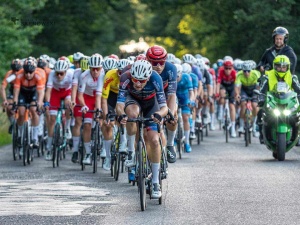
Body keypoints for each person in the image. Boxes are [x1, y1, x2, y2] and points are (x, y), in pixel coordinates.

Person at [116, 60, 168, 199]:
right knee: (131, 115)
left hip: (152, 104)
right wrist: (121, 115)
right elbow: (120, 104)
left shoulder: (156, 78)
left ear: (148, 77)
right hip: (133, 101)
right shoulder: (125, 77)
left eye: (142, 80)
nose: (138, 83)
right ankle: (131, 153)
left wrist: (159, 115)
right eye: (135, 80)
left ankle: (155, 181)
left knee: (154, 141)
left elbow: (164, 107)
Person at [257, 55, 300, 143]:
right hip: (272, 102)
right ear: (274, 66)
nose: (281, 68)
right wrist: (261, 98)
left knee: (297, 115)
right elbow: (262, 91)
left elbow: (298, 90)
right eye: (278, 66)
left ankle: (298, 137)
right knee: (261, 112)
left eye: (284, 67)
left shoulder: (292, 77)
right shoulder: (268, 76)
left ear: (287, 67)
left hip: (287, 102)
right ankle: (262, 135)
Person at [146, 45, 177, 164]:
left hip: (166, 94)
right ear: (148, 61)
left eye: (161, 62)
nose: (158, 66)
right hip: (152, 95)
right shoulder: (144, 68)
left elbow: (172, 94)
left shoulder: (171, 68)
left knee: (173, 117)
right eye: (154, 63)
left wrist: (170, 113)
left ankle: (170, 144)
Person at [44, 60, 73, 160]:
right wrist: (47, 103)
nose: (59, 76)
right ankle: (48, 147)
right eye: (57, 73)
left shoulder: (71, 74)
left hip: (66, 92)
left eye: (61, 73)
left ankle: (68, 127)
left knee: (68, 105)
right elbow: (48, 90)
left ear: (66, 72)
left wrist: (72, 101)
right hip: (55, 93)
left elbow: (74, 89)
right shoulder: (52, 74)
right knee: (52, 119)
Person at [13, 58, 45, 151]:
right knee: (21, 112)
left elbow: (41, 92)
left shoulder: (38, 76)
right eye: (26, 72)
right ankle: (20, 134)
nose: (28, 74)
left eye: (31, 72)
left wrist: (39, 102)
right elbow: (16, 91)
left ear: (35, 70)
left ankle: (35, 138)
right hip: (22, 93)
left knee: (34, 110)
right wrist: (15, 102)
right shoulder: (19, 75)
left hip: (33, 93)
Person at [235, 60, 260, 137]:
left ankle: (254, 126)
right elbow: (237, 86)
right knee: (243, 104)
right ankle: (242, 126)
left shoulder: (256, 74)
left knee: (255, 105)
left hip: (254, 89)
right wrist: (237, 95)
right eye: (244, 71)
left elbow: (259, 86)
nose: (246, 73)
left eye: (248, 71)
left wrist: (259, 94)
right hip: (244, 89)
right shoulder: (239, 74)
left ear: (251, 70)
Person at [216, 58, 237, 137]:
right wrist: (217, 93)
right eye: (226, 68)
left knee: (232, 106)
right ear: (223, 68)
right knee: (222, 94)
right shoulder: (220, 71)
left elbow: (237, 85)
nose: (228, 70)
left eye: (229, 68)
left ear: (232, 68)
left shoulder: (234, 73)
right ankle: (221, 112)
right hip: (223, 86)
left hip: (231, 87)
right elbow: (218, 83)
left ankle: (233, 127)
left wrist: (236, 94)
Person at [1, 59, 23, 134]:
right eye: (14, 70)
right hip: (13, 90)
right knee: (9, 107)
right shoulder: (10, 74)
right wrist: (4, 100)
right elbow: (3, 87)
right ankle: (13, 123)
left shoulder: (23, 73)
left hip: (22, 90)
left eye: (18, 70)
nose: (16, 72)